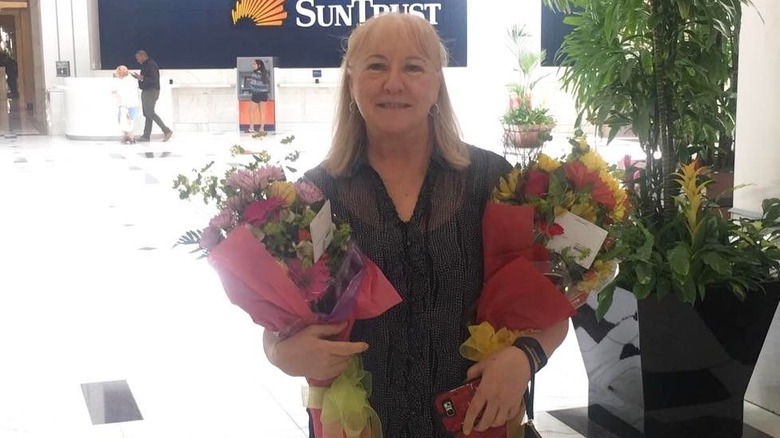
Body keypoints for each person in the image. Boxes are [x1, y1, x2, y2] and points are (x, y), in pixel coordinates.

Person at [262, 13, 570, 437]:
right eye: (375, 66)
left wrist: (525, 358)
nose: (393, 83)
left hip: (474, 421)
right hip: (359, 426)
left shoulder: (493, 181)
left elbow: (554, 302)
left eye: (412, 66)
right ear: (351, 81)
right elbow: (277, 326)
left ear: (436, 83)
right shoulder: (316, 194)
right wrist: (283, 354)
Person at [131, 50, 172, 142]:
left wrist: (141, 78)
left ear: (143, 56)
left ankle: (166, 130)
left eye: (138, 58)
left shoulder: (151, 65)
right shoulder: (146, 65)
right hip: (147, 91)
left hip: (151, 91)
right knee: (147, 114)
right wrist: (139, 77)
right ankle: (146, 136)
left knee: (150, 113)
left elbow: (153, 80)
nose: (137, 60)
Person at [113, 65, 140, 144]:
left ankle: (131, 138)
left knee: (128, 123)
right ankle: (127, 137)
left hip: (128, 105)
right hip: (130, 105)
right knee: (125, 122)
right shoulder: (130, 80)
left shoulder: (126, 81)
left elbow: (122, 92)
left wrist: (116, 92)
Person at [247, 59, 270, 133]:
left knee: (251, 111)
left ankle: (251, 128)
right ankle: (262, 129)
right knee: (262, 112)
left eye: (254, 64)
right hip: (264, 94)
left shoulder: (255, 73)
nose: (252, 65)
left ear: (259, 65)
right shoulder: (265, 74)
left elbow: (252, 85)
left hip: (256, 94)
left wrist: (251, 89)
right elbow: (267, 85)